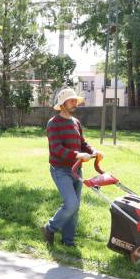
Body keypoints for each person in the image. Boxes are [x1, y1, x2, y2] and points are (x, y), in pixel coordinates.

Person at [42, 88, 103, 247]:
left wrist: (93, 151)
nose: (75, 103)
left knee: (75, 208)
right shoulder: (53, 124)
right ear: (62, 104)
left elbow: (82, 143)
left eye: (76, 100)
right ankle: (50, 227)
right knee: (71, 204)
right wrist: (77, 155)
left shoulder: (75, 122)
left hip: (76, 170)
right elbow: (57, 149)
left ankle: (68, 240)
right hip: (60, 170)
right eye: (71, 100)